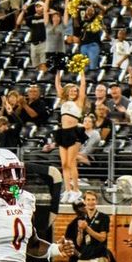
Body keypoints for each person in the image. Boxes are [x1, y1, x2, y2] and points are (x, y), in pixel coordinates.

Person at [52, 70, 87, 204]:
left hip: (74, 132)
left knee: (72, 163)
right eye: (71, 91)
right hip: (63, 132)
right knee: (64, 164)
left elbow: (83, 88)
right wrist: (58, 72)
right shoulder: (63, 101)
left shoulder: (79, 102)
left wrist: (82, 73)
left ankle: (76, 190)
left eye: (75, 91)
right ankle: (67, 190)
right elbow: (58, 86)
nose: (74, 93)